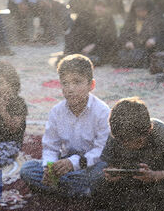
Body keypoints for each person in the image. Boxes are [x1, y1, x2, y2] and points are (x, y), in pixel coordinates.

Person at [20, 54, 110, 197]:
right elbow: (50, 147)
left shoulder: (102, 112)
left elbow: (101, 151)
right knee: (27, 169)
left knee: (103, 172)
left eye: (77, 82)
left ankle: (62, 189)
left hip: (88, 164)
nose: (70, 89)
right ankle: (77, 191)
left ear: (91, 85)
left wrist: (73, 163)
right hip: (65, 164)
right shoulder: (57, 112)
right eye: (65, 83)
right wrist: (48, 169)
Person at [94, 97, 164, 211]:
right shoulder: (116, 135)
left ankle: (137, 205)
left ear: (147, 131)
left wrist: (154, 175)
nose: (129, 146)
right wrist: (112, 175)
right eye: (124, 142)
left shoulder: (161, 132)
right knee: (98, 186)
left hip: (154, 184)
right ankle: (152, 206)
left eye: (135, 141)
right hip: (126, 184)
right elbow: (109, 165)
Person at [0, 61, 27, 167]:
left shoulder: (18, 103)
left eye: (1, 83)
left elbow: (14, 128)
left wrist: (2, 109)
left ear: (11, 84)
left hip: (11, 144)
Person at [115, 0, 164, 68]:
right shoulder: (131, 19)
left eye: (143, 11)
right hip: (136, 52)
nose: (140, 13)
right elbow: (123, 35)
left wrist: (154, 40)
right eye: (138, 11)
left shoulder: (157, 18)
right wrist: (127, 42)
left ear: (148, 9)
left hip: (151, 51)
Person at [63, 0, 117, 66]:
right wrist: (83, 46)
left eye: (103, 6)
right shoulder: (85, 15)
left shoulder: (109, 19)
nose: (100, 8)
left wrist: (94, 45)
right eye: (98, 5)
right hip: (83, 46)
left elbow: (110, 38)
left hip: (99, 48)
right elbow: (76, 33)